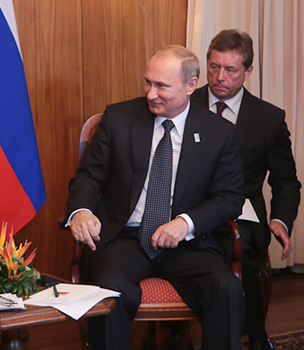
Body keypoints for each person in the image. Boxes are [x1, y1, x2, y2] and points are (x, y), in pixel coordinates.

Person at [65, 45, 245, 350]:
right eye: (148, 82)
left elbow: (230, 198)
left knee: (225, 288)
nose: (151, 94)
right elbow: (88, 176)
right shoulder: (119, 117)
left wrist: (185, 223)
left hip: (187, 244)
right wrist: (81, 211)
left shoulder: (219, 132)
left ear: (191, 85)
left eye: (162, 85)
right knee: (110, 291)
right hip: (124, 238)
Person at [191, 29, 301, 350]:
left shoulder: (268, 119)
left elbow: (286, 180)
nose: (219, 77)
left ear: (248, 72)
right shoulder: (187, 103)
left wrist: (281, 220)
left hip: (243, 212)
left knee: (238, 251)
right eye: (213, 67)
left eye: (230, 70)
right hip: (188, 205)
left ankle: (254, 335)